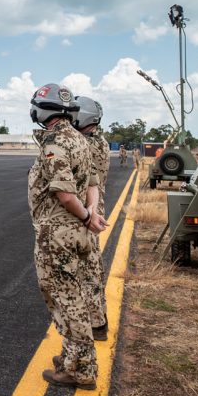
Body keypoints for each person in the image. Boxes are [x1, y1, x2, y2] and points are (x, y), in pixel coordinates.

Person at [28, 83, 106, 390]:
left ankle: (82, 370)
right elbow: (93, 180)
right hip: (78, 231)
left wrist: (87, 216)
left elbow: (62, 192)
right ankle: (72, 356)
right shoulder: (79, 139)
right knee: (76, 296)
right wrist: (92, 212)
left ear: (41, 110)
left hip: (58, 233)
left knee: (66, 299)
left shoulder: (54, 142)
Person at [74, 95, 109, 343]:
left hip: (89, 209)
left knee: (89, 270)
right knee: (92, 268)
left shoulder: (88, 144)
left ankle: (95, 325)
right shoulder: (97, 140)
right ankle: (97, 322)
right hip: (93, 207)